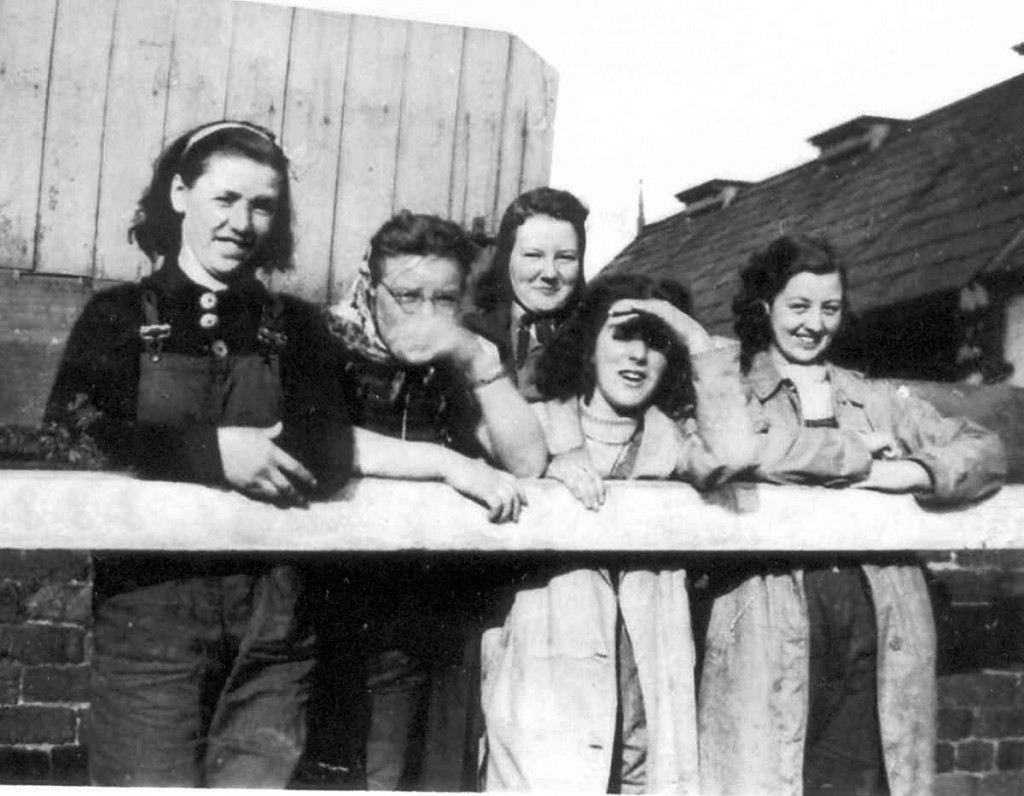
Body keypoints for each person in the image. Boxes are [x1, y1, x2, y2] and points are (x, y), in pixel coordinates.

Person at [44, 120, 353, 786]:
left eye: (262, 205)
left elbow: (328, 449)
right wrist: (212, 453)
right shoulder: (120, 314)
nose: (243, 222)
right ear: (181, 194)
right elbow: (73, 433)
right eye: (226, 199)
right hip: (151, 620)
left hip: (275, 628)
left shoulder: (296, 326)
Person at [697, 235, 1007, 796]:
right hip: (769, 604)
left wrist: (913, 471)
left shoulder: (874, 397)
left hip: (876, 609)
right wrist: (856, 453)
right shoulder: (738, 396)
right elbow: (734, 452)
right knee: (768, 772)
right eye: (800, 306)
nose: (815, 324)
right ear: (765, 309)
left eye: (830, 308)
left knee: (864, 776)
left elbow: (984, 449)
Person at [480, 273, 756, 793]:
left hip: (647, 674)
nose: (637, 357)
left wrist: (693, 338)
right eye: (622, 335)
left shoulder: (672, 440)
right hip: (546, 677)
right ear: (588, 344)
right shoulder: (537, 425)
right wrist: (546, 464)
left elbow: (734, 455)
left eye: (656, 343)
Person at [305, 210, 547, 790]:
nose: (426, 315)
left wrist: (481, 365)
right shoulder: (322, 340)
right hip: (323, 609)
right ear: (370, 284)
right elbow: (323, 440)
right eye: (407, 295)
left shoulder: (459, 358)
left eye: (444, 299)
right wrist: (448, 465)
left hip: (425, 616)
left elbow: (527, 462)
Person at [470, 186, 589, 401]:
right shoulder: (472, 332)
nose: (550, 273)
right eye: (533, 255)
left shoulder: (596, 339)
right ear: (507, 259)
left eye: (566, 257)